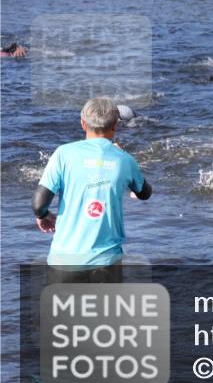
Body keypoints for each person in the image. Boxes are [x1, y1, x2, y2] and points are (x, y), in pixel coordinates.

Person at [33, 97, 153, 283]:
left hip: (64, 261)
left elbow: (39, 203)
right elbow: (145, 193)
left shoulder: (63, 154)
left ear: (83, 123)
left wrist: (43, 215)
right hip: (106, 261)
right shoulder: (124, 159)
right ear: (115, 126)